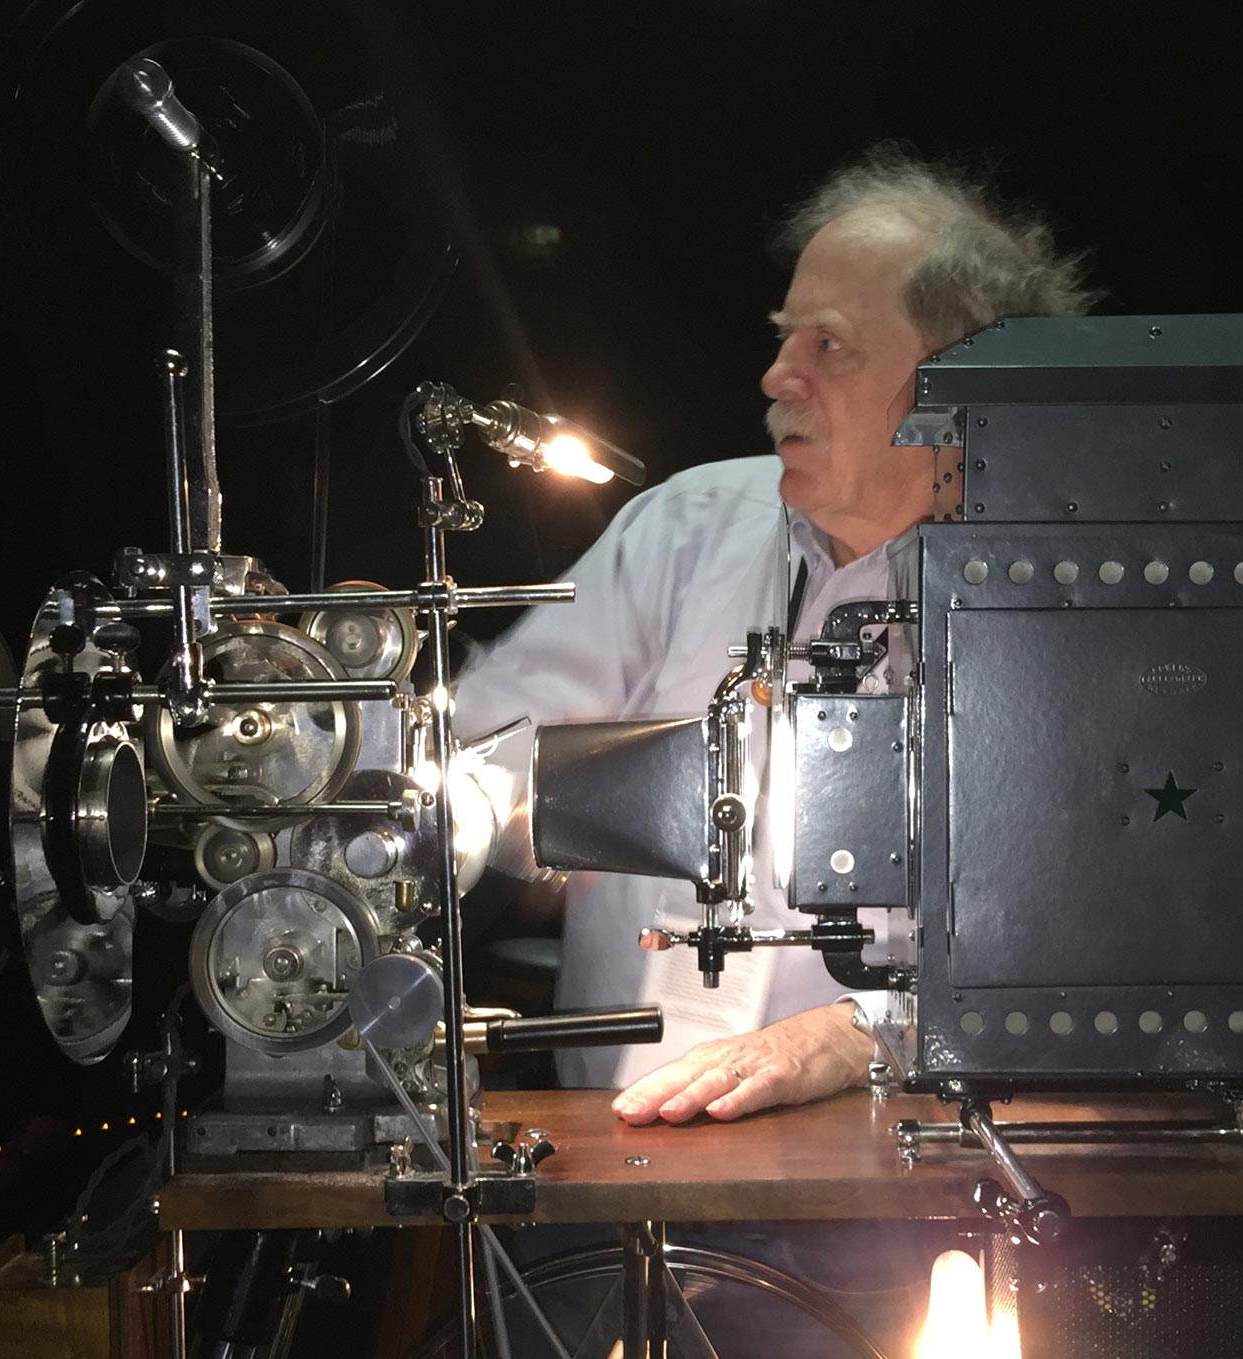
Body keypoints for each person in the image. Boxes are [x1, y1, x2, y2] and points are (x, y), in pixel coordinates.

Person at [455, 144, 1099, 1124]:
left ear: (957, 380)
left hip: (912, 1168)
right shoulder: (686, 528)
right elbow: (483, 750)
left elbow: (1093, 938)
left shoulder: (1071, 608)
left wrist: (865, 1029)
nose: (776, 373)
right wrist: (469, 825)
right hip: (618, 1161)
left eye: (828, 345)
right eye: (782, 335)